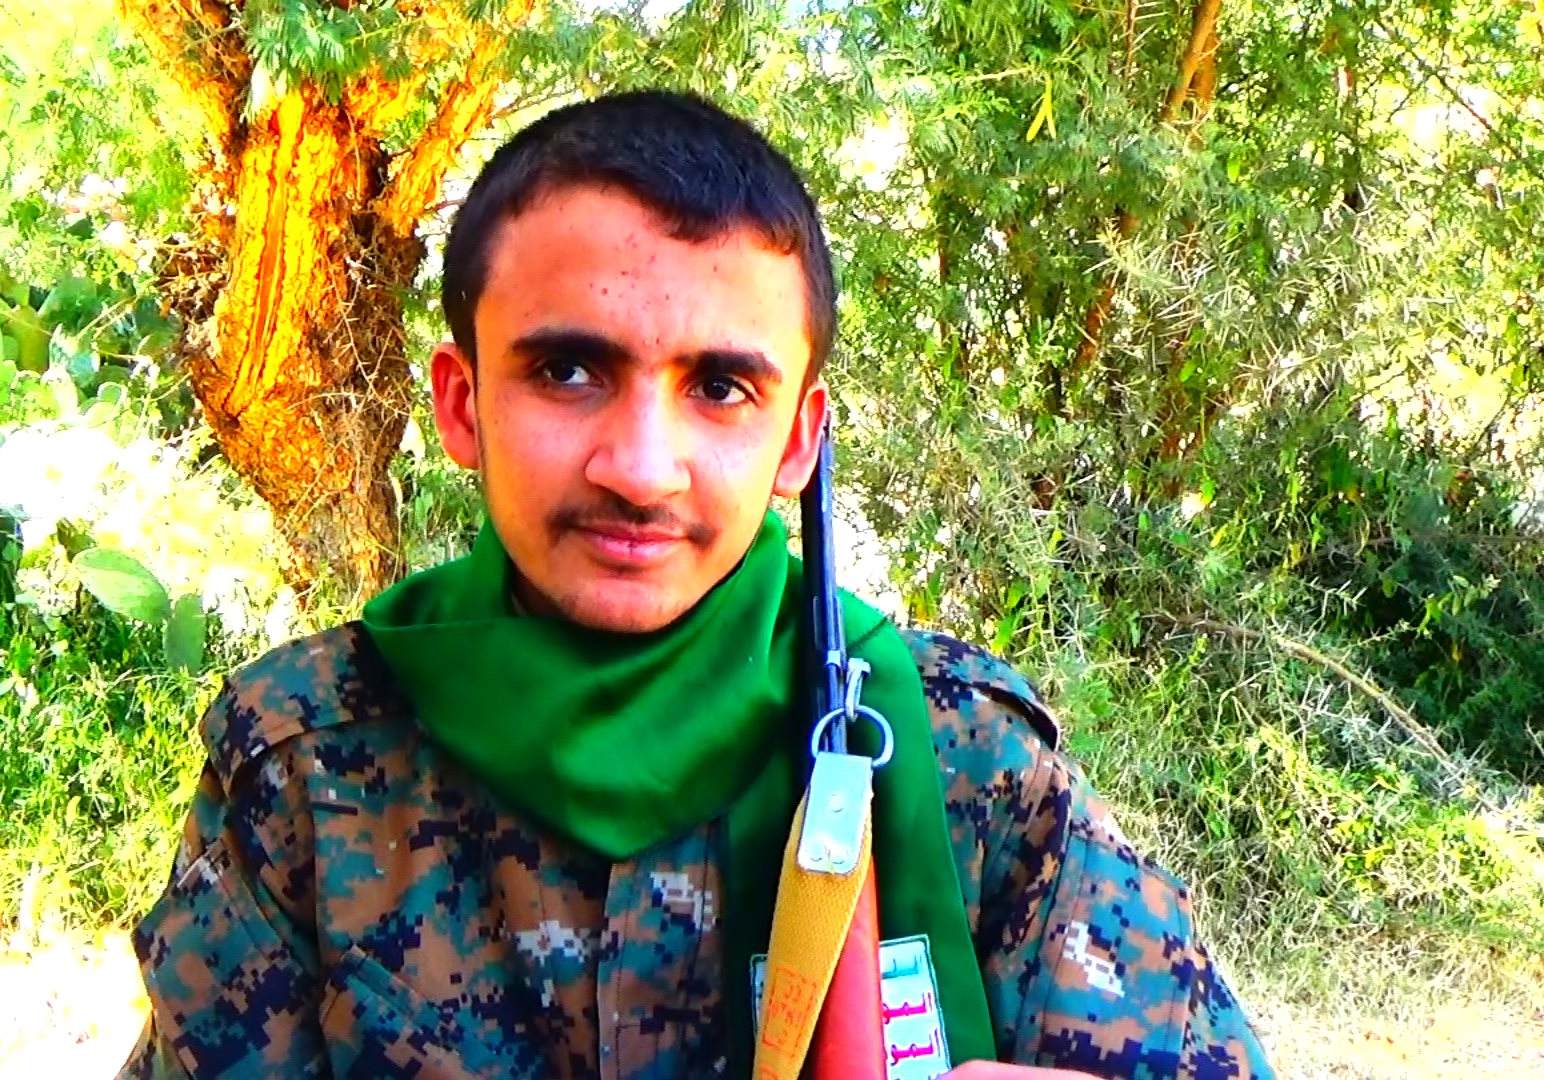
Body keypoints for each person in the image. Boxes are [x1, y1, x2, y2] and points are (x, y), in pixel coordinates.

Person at [116, 89, 1272, 1080]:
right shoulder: (302, 762)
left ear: (799, 441)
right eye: (568, 370)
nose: (640, 468)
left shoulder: (959, 752)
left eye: (720, 389)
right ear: (462, 405)